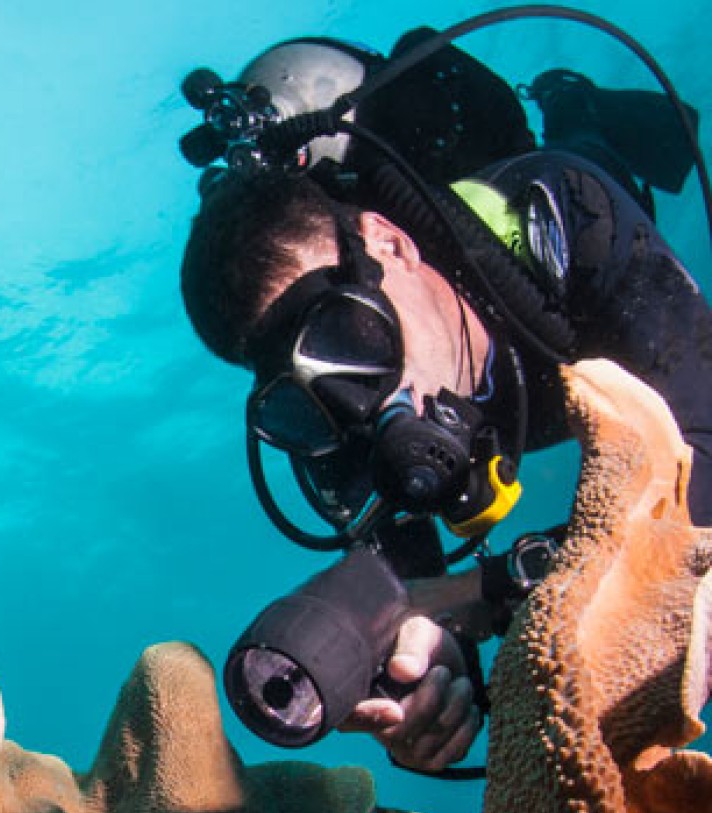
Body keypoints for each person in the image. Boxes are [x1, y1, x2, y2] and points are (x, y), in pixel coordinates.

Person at [178, 36, 712, 775]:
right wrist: (434, 668)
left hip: (575, 266)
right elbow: (409, 598)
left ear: (391, 245)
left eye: (350, 337)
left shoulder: (562, 218)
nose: (363, 410)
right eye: (301, 405)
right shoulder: (337, 444)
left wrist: (484, 590)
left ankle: (572, 102)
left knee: (589, 143)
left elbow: (704, 452)